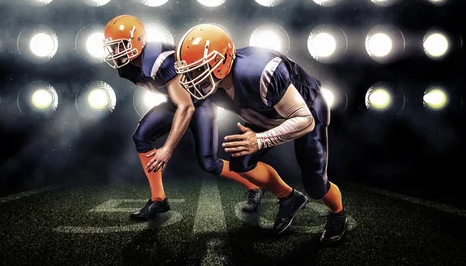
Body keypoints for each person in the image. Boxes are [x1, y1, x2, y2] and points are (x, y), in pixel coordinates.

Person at [174, 23, 347, 243]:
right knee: (240, 163)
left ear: (222, 61)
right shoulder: (211, 84)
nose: (192, 77)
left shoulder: (260, 71)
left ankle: (338, 214)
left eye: (198, 69)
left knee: (315, 183)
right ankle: (289, 197)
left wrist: (260, 139)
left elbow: (305, 121)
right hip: (264, 112)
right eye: (189, 70)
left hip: (306, 109)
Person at [103, 15, 265, 221]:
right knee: (142, 137)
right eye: (113, 47)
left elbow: (186, 106)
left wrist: (167, 149)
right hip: (178, 100)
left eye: (121, 46)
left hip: (198, 103)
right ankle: (158, 199)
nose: (116, 52)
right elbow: (176, 99)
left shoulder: (159, 61)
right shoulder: (126, 67)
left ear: (137, 41)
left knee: (209, 163)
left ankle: (255, 186)